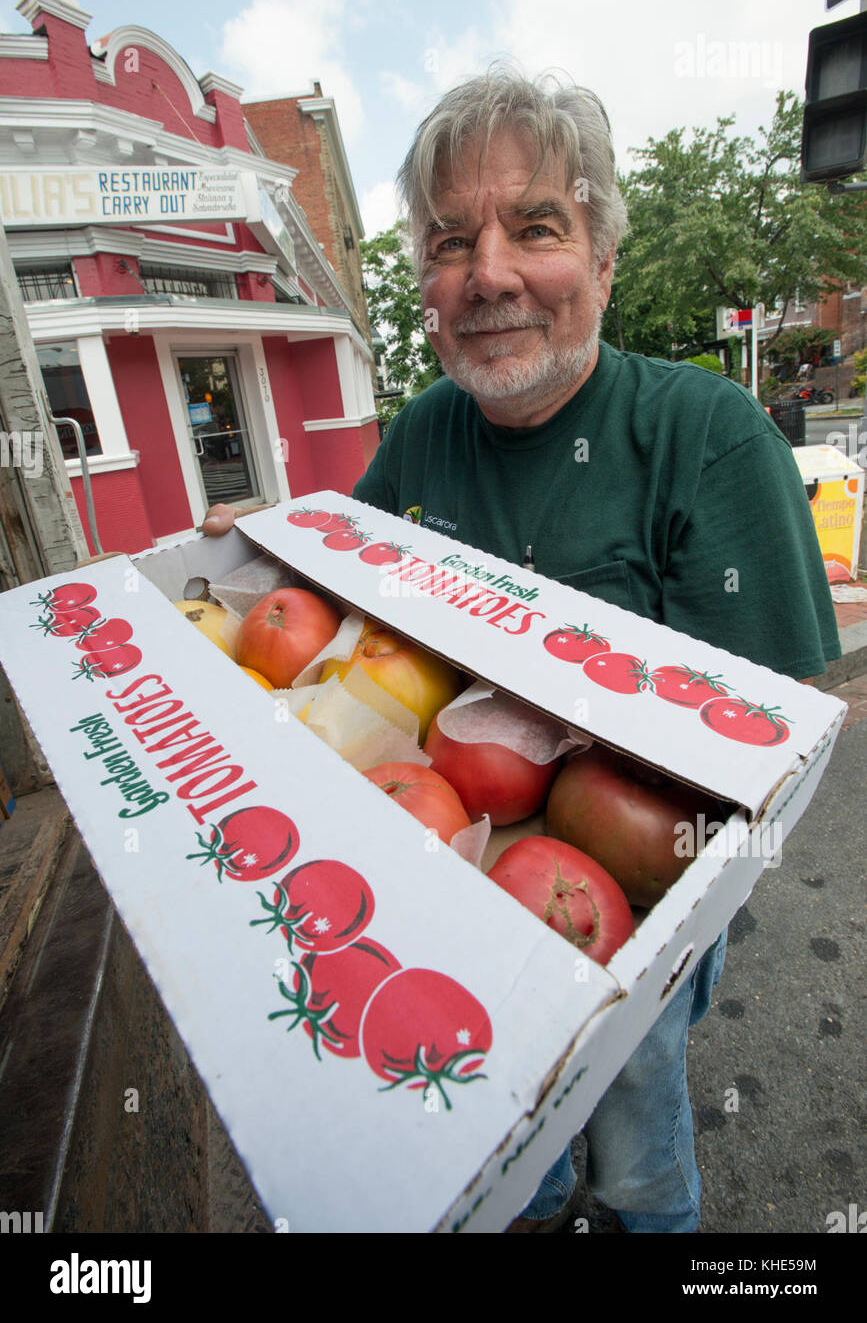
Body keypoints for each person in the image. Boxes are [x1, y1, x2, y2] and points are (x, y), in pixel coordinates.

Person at [202, 67, 841, 1232]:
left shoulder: (708, 438)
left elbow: (777, 737)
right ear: (428, 288)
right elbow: (345, 604)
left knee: (636, 1130)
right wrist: (263, 554)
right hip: (445, 885)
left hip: (633, 911)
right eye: (451, 242)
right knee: (509, 1145)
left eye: (534, 226)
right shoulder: (426, 434)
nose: (486, 272)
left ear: (602, 260)